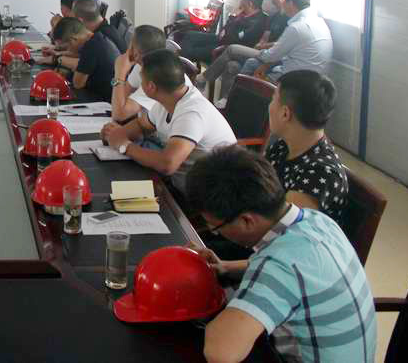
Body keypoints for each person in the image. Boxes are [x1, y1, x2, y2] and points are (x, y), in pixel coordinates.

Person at [186, 147, 376, 363]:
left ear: (247, 220)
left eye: (215, 227)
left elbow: (220, 353)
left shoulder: (280, 264)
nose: (216, 233)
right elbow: (298, 276)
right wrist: (226, 267)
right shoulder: (316, 220)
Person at [101, 49, 235, 193]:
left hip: (211, 193)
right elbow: (142, 125)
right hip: (182, 182)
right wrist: (116, 134)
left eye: (141, 79)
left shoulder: (192, 113)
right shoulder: (168, 100)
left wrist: (125, 146)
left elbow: (167, 164)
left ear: (151, 87)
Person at [265, 70, 348, 222]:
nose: (269, 106)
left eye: (273, 99)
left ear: (285, 113)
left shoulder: (321, 174)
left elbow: (278, 227)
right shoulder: (282, 146)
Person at [198, 0, 292, 94]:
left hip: (273, 57)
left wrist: (263, 46)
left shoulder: (291, 21)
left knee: (232, 49)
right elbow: (265, 36)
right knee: (231, 66)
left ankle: (203, 79)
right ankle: (224, 101)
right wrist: (261, 45)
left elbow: (281, 47)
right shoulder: (273, 15)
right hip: (260, 51)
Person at [242, 0, 333, 82]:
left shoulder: (297, 27)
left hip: (292, 80)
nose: (282, 3)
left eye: (284, 0)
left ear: (290, 3)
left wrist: (259, 51)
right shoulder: (319, 21)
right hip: (313, 79)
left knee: (241, 56)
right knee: (250, 62)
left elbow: (270, 56)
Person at [180, 0, 268, 63]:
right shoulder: (244, 12)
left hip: (226, 46)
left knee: (192, 51)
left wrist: (232, 19)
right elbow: (225, 28)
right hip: (221, 39)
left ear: (250, 4)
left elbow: (235, 39)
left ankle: (180, 64)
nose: (240, 1)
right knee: (189, 35)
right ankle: (180, 61)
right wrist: (230, 24)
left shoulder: (258, 22)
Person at [109, 24, 172, 122]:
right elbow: (123, 96)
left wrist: (119, 73)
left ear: (136, 53)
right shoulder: (143, 65)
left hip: (157, 130)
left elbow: (119, 115)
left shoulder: (156, 77)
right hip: (144, 124)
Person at [48, 17, 119, 101]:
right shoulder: (97, 38)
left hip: (105, 101)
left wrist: (64, 74)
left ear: (73, 40)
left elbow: (78, 84)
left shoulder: (91, 47)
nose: (67, 50)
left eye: (66, 47)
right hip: (106, 95)